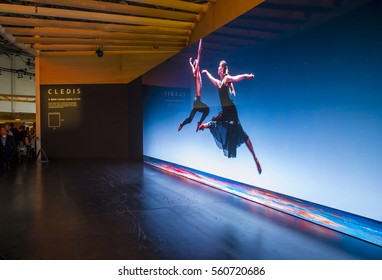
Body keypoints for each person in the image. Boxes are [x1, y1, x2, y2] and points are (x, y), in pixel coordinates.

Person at [199, 60, 262, 174]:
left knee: (241, 133)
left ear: (223, 69)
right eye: (218, 66)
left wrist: (247, 76)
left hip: (231, 111)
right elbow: (211, 78)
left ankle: (255, 158)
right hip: (225, 111)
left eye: (220, 67)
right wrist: (207, 72)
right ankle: (204, 125)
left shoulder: (226, 79)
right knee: (216, 120)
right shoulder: (219, 83)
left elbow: (236, 77)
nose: (218, 68)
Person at [178, 39, 209, 132]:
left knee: (190, 119)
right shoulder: (196, 72)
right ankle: (199, 122)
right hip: (197, 100)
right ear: (197, 65)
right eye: (197, 62)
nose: (198, 62)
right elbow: (199, 52)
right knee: (207, 110)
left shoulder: (195, 72)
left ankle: (181, 124)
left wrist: (191, 62)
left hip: (196, 100)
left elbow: (192, 67)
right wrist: (201, 40)